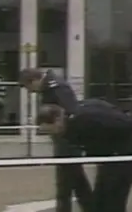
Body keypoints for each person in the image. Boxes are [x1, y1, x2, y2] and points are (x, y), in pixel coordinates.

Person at [36, 99, 132, 212]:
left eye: (49, 130)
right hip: (111, 158)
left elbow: (126, 124)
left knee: (113, 198)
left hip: (124, 156)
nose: (51, 135)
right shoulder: (74, 120)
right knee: (100, 199)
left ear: (57, 120)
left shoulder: (85, 118)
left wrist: (110, 148)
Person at [19, 68, 92, 212]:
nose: (31, 91)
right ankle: (92, 208)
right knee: (77, 180)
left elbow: (71, 112)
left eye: (29, 87)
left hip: (68, 140)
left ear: (34, 81)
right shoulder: (50, 87)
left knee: (65, 182)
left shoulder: (56, 88)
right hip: (64, 138)